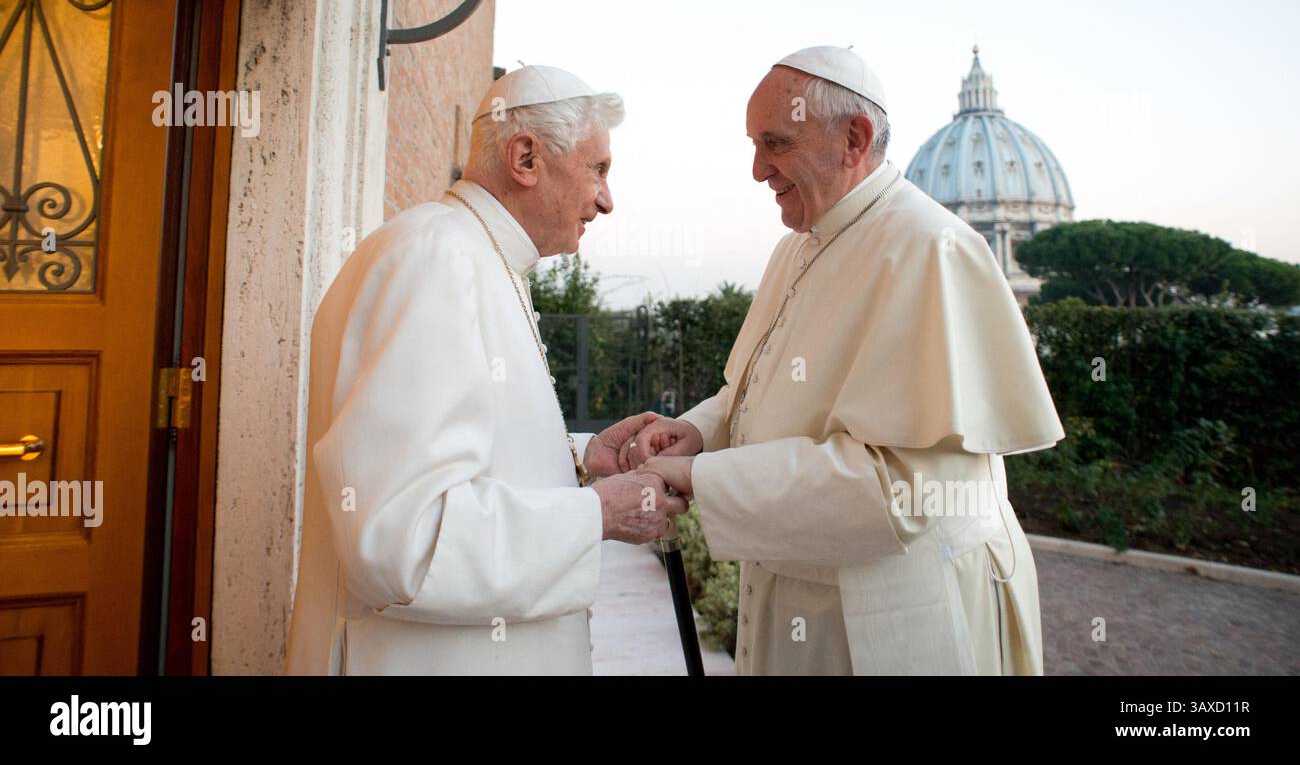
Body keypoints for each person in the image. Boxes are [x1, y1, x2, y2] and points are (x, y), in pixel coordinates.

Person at [626, 46, 1064, 675]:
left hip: (890, 616)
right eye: (753, 145)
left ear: (854, 138)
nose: (757, 170)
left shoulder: (928, 248)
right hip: (797, 593)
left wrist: (701, 479)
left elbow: (905, 490)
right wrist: (698, 431)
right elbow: (752, 391)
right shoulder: (797, 248)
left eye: (775, 143)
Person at [285, 65, 685, 675]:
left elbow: (467, 466)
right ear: (525, 157)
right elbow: (401, 542)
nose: (607, 199)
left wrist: (581, 470)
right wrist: (600, 511)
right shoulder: (437, 257)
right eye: (598, 169)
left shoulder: (474, 256)